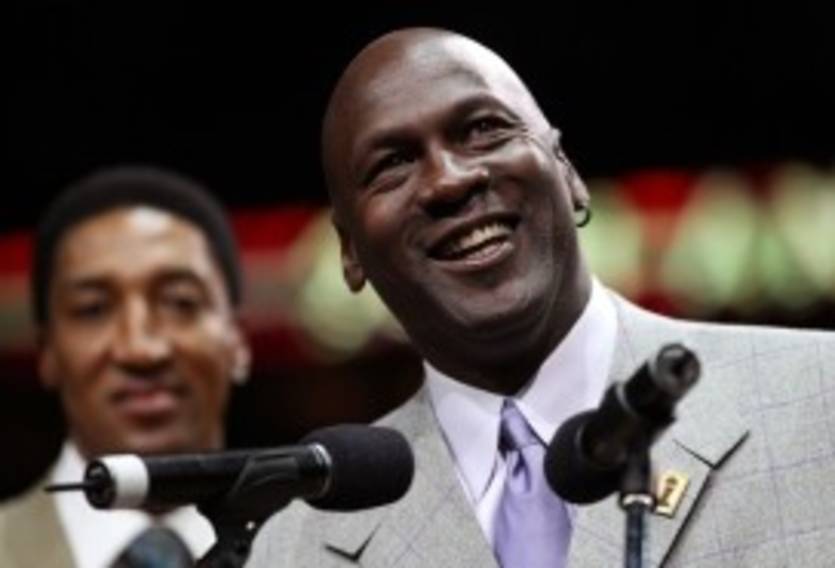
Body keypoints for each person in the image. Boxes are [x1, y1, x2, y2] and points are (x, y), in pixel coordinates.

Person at [249, 28, 835, 567]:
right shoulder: (291, 550)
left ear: (567, 170)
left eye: (483, 129)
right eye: (393, 164)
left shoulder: (819, 397)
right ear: (350, 251)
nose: (449, 180)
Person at [0, 166, 252, 567]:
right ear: (47, 352)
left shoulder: (316, 553)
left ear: (238, 340)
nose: (141, 349)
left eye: (180, 302)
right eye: (93, 309)